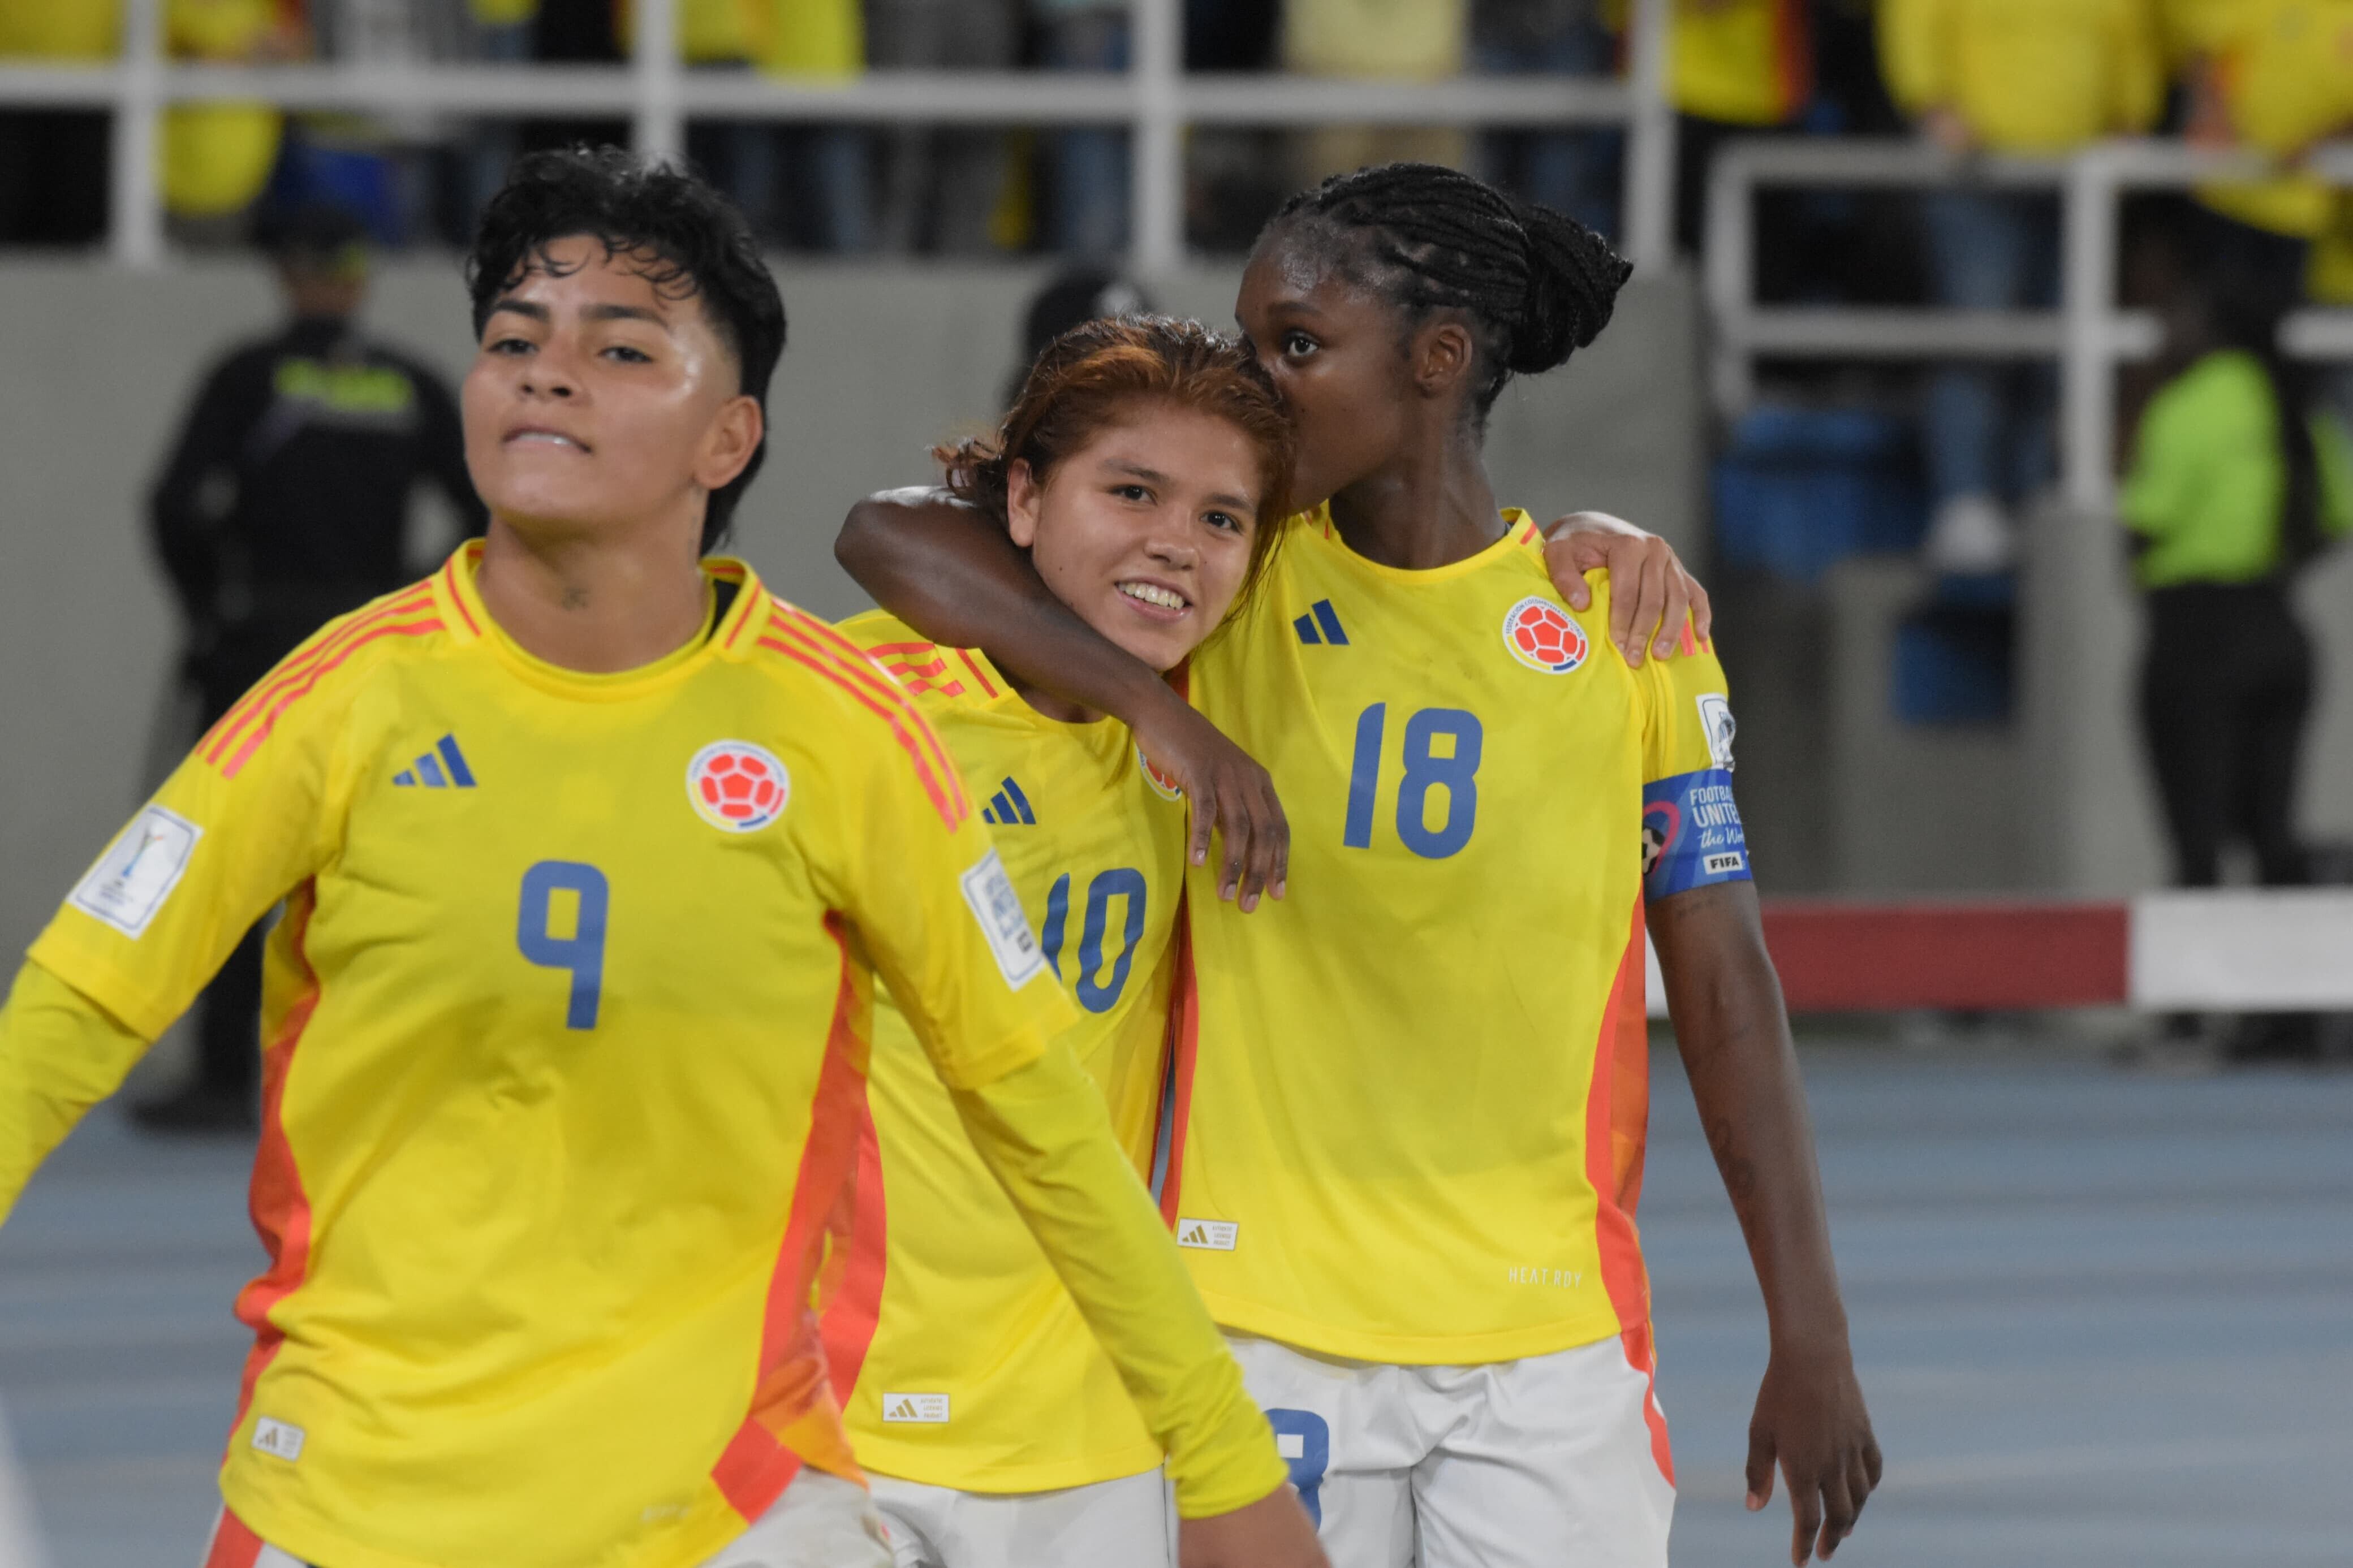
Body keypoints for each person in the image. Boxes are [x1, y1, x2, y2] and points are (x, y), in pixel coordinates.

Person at [0, 148, 1321, 1568]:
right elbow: (75, 1011)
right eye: (514, 340)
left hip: (728, 1515)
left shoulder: (845, 736)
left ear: (729, 438)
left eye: (621, 347)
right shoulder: (336, 702)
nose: (548, 372)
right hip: (352, 1509)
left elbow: (1042, 1117)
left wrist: (1225, 1465)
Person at [839, 162, 1878, 1567]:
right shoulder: (1225, 573)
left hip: (1547, 1339)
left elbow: (1726, 980)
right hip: (1248, 1329)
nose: (1260, 383)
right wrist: (1160, 711)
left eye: (1299, 346)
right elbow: (889, 530)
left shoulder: (1625, 627)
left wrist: (1806, 1324)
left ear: (1438, 362)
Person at [831, 317, 1296, 1567]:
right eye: (1131, 492)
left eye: (1219, 520)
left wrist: (1603, 544)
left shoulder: (1233, 701)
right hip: (824, 1424)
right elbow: (879, 526)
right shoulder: (851, 707)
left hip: (1088, 1444)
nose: (1173, 543)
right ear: (1022, 498)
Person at [137, 202, 486, 1136]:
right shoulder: (409, 383)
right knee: (393, 858)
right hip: (375, 647)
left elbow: (174, 502)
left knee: (233, 853)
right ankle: (387, 1070)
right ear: (360, 275)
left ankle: (223, 1077)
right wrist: (416, 600)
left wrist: (212, 601)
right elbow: (487, 513)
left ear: (287, 273)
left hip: (263, 639)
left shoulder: (251, 376)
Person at [2123, 270, 2352, 1057]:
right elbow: (2338, 513)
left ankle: (2188, 1016)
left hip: (2198, 630)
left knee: (2195, 832)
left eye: (2180, 308)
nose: (2167, 324)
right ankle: (2283, 1018)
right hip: (2281, 627)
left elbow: (2146, 519)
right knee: (2273, 832)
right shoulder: (2296, 409)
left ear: (2211, 322)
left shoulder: (2190, 405)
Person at [1879, 0, 2163, 574]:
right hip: (1980, 172)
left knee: (2061, 351)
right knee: (1978, 336)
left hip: (2076, 180)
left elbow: (2130, 36)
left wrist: (2132, 119)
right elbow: (1913, 18)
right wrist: (1931, 102)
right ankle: (1965, 501)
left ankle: (2033, 496)